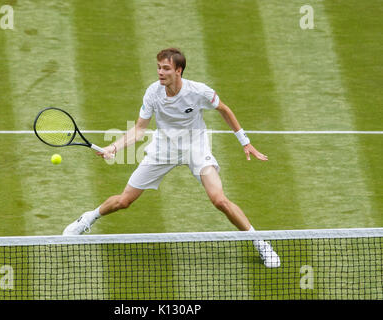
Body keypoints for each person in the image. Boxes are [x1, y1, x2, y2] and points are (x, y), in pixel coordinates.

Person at [63, 48, 280, 268]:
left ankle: (260, 243)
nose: (160, 72)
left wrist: (245, 141)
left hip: (195, 146)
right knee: (124, 200)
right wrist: (114, 146)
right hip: (163, 148)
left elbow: (224, 109)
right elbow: (139, 130)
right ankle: (88, 219)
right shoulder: (152, 93)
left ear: (178, 70)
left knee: (220, 200)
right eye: (158, 67)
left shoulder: (198, 91)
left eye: (165, 68)